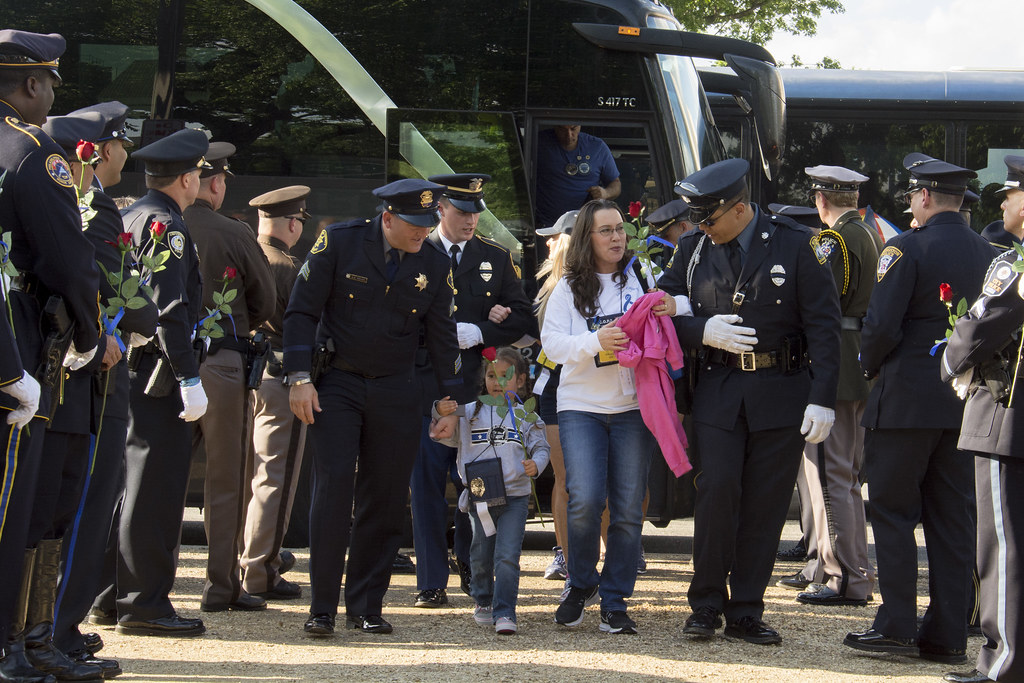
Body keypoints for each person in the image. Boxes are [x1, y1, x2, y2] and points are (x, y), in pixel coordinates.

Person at [659, 158, 841, 645]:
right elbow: (659, 311)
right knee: (717, 494)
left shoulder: (798, 245)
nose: (702, 227)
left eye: (709, 218)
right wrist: (702, 330)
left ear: (739, 209)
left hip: (780, 391)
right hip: (718, 392)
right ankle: (705, 605)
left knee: (764, 505)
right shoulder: (693, 250)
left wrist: (824, 399)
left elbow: (825, 327)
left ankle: (745, 610)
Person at [284, 178, 461, 637]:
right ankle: (321, 606)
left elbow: (442, 334)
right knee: (334, 489)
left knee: (384, 499)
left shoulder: (435, 263)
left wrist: (448, 400)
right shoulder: (339, 243)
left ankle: (365, 605)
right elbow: (301, 312)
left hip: (397, 388)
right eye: (414, 224)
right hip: (337, 382)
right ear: (387, 218)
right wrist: (299, 378)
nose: (424, 232)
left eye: (428, 223)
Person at [843, 153, 995, 664]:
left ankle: (896, 625)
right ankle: (949, 633)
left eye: (912, 195)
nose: (911, 202)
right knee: (953, 520)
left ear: (924, 196)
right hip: (964, 406)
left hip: (904, 403)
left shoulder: (904, 250)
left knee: (891, 512)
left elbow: (881, 327)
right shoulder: (990, 255)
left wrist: (867, 366)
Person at [0, 30, 112, 683]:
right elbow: (68, 262)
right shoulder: (34, 153)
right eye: (46, 84)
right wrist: (92, 332)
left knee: (33, 505)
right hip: (19, 343)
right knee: (17, 505)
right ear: (32, 84)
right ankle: (12, 644)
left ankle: (28, 638)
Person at [41, 103, 161, 680]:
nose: (120, 154)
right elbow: (126, 298)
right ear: (96, 152)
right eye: (114, 144)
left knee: (82, 507)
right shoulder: (93, 214)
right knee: (84, 507)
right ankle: (55, 629)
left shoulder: (96, 210)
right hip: (90, 379)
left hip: (89, 374)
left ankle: (57, 627)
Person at [541, 199, 683, 635]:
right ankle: (581, 582)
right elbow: (554, 346)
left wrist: (669, 310)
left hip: (631, 408)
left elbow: (676, 313)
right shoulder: (567, 286)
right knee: (584, 499)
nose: (617, 237)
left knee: (626, 508)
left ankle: (616, 600)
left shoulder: (640, 278)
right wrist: (595, 339)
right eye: (605, 230)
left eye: (620, 228)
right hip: (581, 406)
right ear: (587, 237)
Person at [410, 173, 534, 608]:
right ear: (441, 209)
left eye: (476, 213)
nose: (470, 222)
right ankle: (430, 578)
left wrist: (479, 330)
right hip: (427, 384)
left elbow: (521, 317)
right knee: (426, 482)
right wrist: (446, 334)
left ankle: (471, 569)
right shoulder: (417, 250)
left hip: (477, 392)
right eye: (462, 212)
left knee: (476, 481)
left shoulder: (495, 258)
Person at [114, 127, 210, 638]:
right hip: (160, 376)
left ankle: (112, 595)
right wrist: (189, 377)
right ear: (189, 178)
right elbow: (172, 312)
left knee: (126, 486)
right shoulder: (165, 224)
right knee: (155, 489)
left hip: (132, 371)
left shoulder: (131, 213)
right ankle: (145, 603)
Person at [783, 166, 882, 608]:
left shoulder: (834, 240)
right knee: (844, 473)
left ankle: (845, 576)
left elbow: (821, 303)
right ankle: (827, 564)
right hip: (855, 360)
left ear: (821, 200)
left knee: (828, 474)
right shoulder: (867, 233)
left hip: (836, 364)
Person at [940, 168, 1024, 682]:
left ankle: (1003, 662)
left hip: (1006, 414)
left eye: (1013, 194)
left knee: (1003, 545)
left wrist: (949, 364)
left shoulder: (1014, 265)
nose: (1007, 203)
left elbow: (976, 330)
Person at [185, 141, 275, 614]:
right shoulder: (231, 232)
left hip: (161, 364)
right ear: (215, 183)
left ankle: (124, 587)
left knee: (149, 476)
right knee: (225, 483)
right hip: (220, 364)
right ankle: (220, 587)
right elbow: (265, 301)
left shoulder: (146, 221)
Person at [432, 347, 550, 635]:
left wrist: (536, 464)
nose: (497, 382)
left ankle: (505, 610)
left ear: (520, 380)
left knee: (508, 556)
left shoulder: (527, 415)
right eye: (491, 375)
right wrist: (438, 411)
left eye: (505, 376)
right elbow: (438, 429)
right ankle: (483, 599)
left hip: (515, 497)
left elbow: (542, 446)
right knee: (481, 554)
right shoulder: (468, 412)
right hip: (480, 496)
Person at [240, 185, 312, 602]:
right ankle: (259, 570)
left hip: (246, 378)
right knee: (275, 479)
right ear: (292, 222)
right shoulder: (288, 266)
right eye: (300, 220)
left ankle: (245, 558)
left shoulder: (248, 253)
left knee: (248, 477)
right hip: (280, 376)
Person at [533, 210, 576, 584]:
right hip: (553, 390)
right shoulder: (546, 286)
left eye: (554, 236)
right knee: (564, 478)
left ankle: (609, 552)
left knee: (602, 481)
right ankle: (564, 554)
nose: (547, 242)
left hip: (594, 389)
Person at [534, 125, 620, 228]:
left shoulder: (597, 146)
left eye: (573, 129)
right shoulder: (540, 142)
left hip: (585, 225)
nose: (569, 135)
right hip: (545, 225)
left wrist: (605, 193)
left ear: (579, 125)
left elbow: (615, 183)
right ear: (555, 126)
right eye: (563, 129)